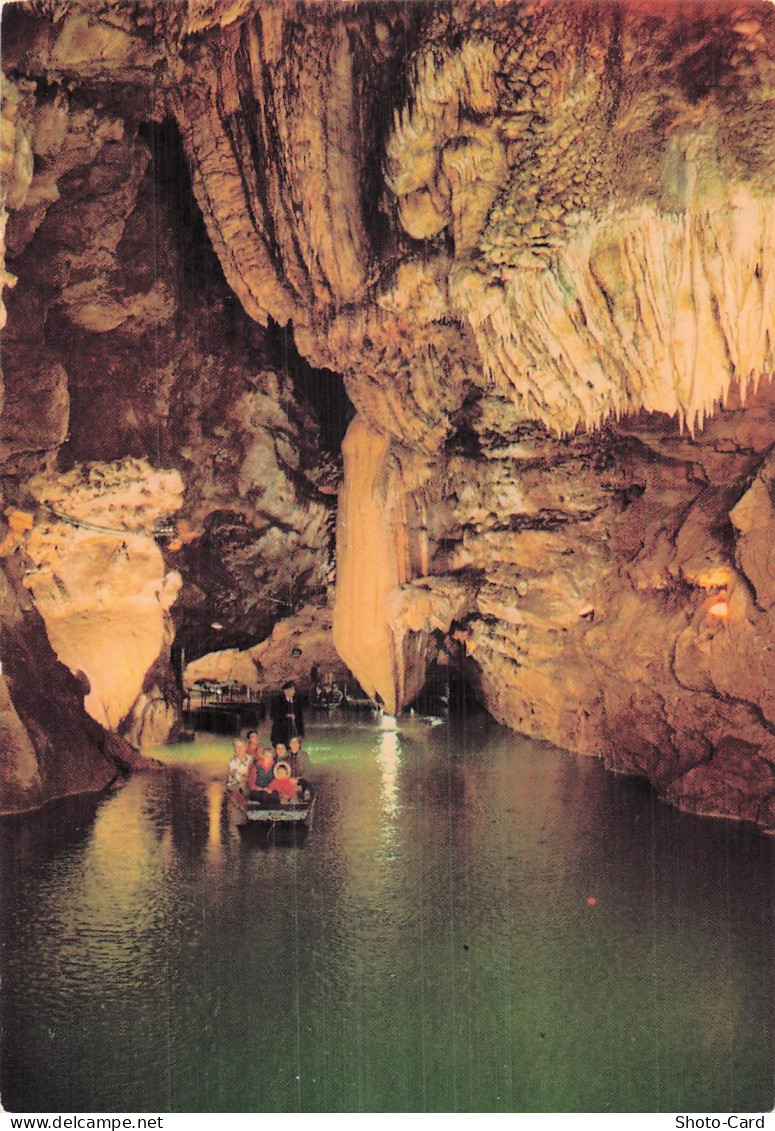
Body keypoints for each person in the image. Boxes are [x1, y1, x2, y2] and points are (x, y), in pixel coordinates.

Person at [270, 680, 304, 747]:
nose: (293, 691)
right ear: (285, 691)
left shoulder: (297, 701)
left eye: (294, 689)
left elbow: (300, 718)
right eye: (291, 689)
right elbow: (274, 715)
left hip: (294, 732)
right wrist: (287, 716)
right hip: (280, 732)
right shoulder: (277, 701)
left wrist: (301, 733)